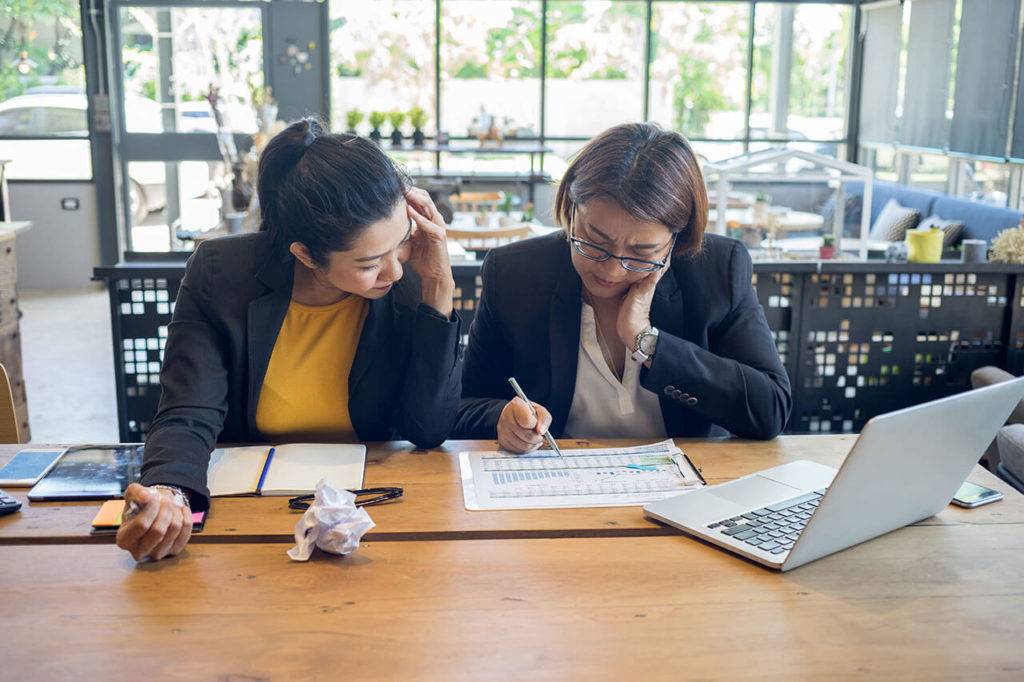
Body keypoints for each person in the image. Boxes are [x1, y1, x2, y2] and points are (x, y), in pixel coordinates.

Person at [117, 117, 463, 561]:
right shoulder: (222, 274)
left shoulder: (410, 274)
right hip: (249, 510)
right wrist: (169, 491)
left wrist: (437, 284)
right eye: (369, 262)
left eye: (402, 242)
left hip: (371, 509)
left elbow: (429, 429)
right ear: (304, 253)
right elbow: (188, 408)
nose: (394, 270)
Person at [455, 122, 791, 452]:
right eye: (594, 242)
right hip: (556, 488)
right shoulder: (518, 273)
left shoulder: (716, 269)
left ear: (676, 240)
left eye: (641, 253)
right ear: (571, 211)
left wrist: (648, 342)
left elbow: (769, 409)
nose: (612, 269)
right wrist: (501, 418)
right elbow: (462, 403)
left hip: (687, 491)